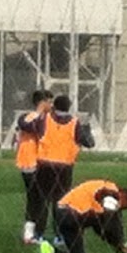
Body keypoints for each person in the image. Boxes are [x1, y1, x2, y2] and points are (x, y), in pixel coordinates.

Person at [30, 95, 94, 240]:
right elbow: (89, 143)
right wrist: (87, 131)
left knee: (41, 201)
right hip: (64, 167)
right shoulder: (74, 123)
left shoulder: (45, 119)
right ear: (69, 107)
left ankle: (38, 234)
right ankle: (59, 235)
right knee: (60, 202)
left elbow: (31, 128)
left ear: (54, 106)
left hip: (44, 164)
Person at [42, 179, 127, 253]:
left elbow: (100, 227)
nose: (124, 208)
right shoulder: (111, 193)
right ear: (124, 197)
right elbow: (108, 220)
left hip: (62, 215)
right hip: (72, 215)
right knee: (113, 221)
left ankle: (51, 250)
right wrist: (120, 244)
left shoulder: (105, 188)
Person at [14, 89, 54, 244]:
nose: (51, 105)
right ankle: (37, 233)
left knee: (34, 198)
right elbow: (30, 127)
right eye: (49, 102)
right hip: (33, 162)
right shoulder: (33, 118)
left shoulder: (42, 118)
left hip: (29, 162)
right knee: (41, 199)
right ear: (42, 103)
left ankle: (29, 232)